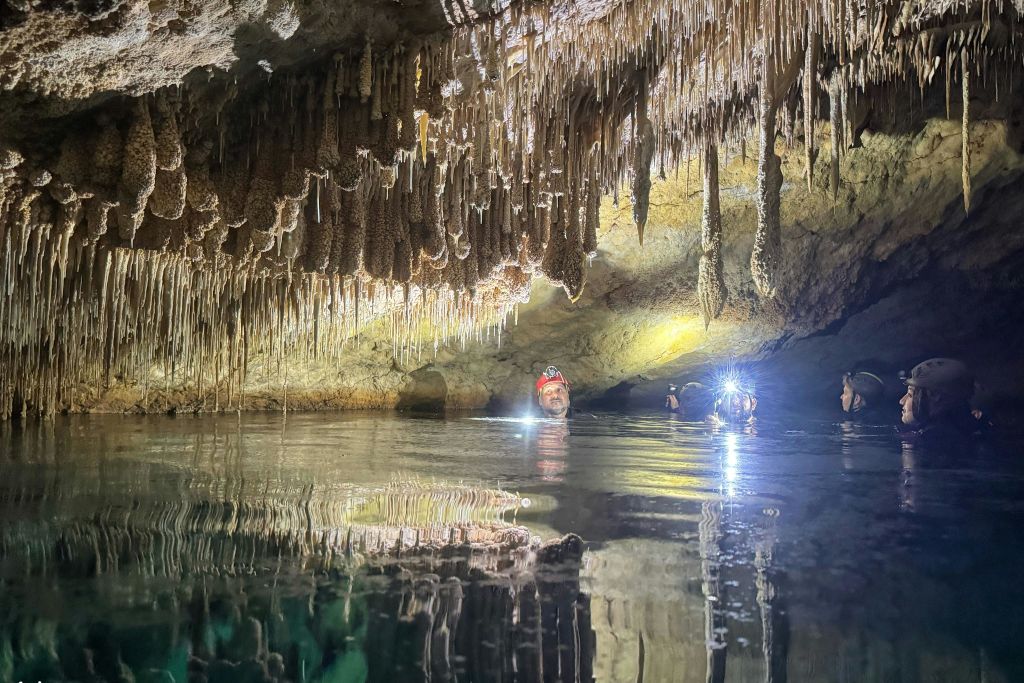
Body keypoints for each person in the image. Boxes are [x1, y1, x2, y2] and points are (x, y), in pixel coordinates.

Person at [898, 358, 979, 438]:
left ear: (935, 397)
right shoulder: (969, 431)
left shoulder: (933, 443)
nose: (901, 401)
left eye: (910, 395)